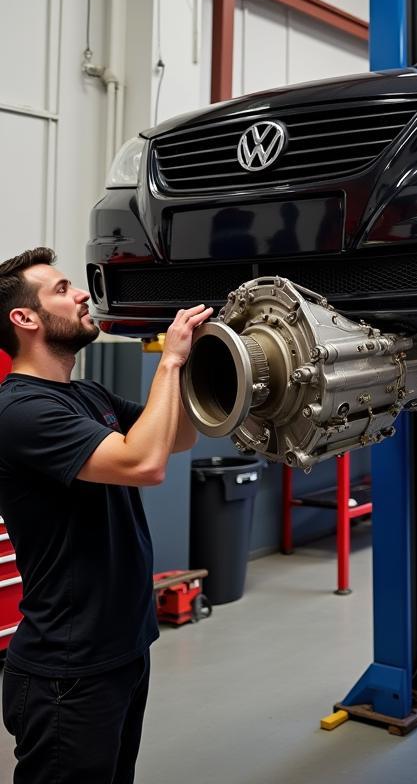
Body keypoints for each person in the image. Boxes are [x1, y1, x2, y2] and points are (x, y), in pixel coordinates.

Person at [0, 247, 212, 784]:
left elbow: (177, 437)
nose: (81, 295)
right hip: (67, 668)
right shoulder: (20, 411)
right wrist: (170, 362)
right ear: (25, 318)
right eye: (63, 288)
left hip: (122, 647)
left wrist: (197, 356)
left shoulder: (86, 393)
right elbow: (143, 463)